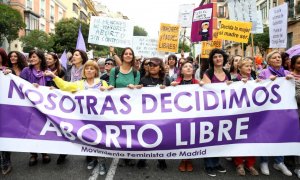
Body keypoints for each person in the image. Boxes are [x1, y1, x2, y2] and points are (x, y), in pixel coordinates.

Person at [45, 60, 108, 175]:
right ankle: (93, 159)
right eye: (87, 68)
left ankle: (102, 161)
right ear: (84, 71)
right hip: (85, 119)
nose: (89, 70)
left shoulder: (103, 83)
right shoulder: (79, 84)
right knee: (90, 140)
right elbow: (65, 86)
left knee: (100, 140)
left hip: (99, 118)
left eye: (92, 68)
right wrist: (54, 77)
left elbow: (111, 98)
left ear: (96, 71)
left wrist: (107, 90)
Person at [258, 50, 293, 176]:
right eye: (274, 57)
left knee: (281, 134)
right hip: (267, 110)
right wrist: (266, 81)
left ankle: (279, 162)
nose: (278, 59)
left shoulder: (288, 73)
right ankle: (264, 161)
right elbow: (257, 89)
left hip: (283, 110)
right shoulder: (264, 72)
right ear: (269, 61)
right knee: (266, 134)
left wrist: (291, 80)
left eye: (279, 57)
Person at [19, 49, 52, 166]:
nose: (31, 59)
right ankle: (33, 154)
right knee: (31, 129)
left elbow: (51, 87)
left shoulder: (47, 71)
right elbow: (20, 85)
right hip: (29, 105)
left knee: (43, 129)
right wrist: (30, 86)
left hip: (43, 106)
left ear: (40, 58)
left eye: (34, 57)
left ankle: (45, 152)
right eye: (30, 57)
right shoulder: (26, 71)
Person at [108, 47, 140, 167]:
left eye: (130, 54)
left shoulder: (136, 72)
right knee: (119, 131)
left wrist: (135, 87)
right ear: (122, 56)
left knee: (130, 131)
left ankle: (130, 154)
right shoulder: (114, 71)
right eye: (126, 53)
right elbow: (111, 85)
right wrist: (109, 87)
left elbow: (138, 89)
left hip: (131, 108)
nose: (128, 55)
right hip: (116, 107)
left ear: (132, 56)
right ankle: (121, 153)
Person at [137, 57, 170, 170]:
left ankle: (161, 159)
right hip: (146, 114)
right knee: (145, 136)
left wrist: (169, 88)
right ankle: (142, 158)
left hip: (161, 114)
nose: (152, 67)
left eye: (155, 65)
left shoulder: (166, 80)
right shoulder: (143, 80)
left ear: (160, 67)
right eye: (150, 65)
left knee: (161, 137)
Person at [201, 48, 229, 177]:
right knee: (210, 137)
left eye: (220, 56)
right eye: (215, 57)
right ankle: (208, 164)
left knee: (220, 137)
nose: (218, 59)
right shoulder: (208, 73)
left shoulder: (227, 73)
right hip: (211, 111)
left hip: (225, 111)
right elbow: (209, 91)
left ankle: (216, 162)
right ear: (212, 60)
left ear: (223, 59)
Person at [232, 58, 259, 176]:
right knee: (239, 138)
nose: (249, 68)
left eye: (250, 66)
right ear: (239, 68)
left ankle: (250, 164)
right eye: (246, 66)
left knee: (252, 138)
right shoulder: (234, 80)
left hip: (253, 114)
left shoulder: (255, 80)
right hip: (240, 114)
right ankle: (239, 163)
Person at [171, 61, 199, 172]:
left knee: (192, 137)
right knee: (183, 137)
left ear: (193, 70)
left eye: (190, 67)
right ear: (181, 70)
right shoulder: (176, 83)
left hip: (194, 115)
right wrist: (170, 87)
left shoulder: (197, 82)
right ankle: (183, 159)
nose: (188, 68)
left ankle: (189, 159)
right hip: (180, 115)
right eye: (185, 66)